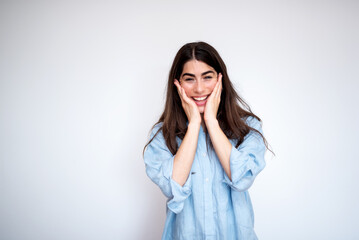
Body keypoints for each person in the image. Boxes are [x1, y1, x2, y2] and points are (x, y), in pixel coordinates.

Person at [143, 41, 271, 240]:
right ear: (177, 83)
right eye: (189, 79)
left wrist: (211, 120)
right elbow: (172, 187)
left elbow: (242, 179)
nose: (200, 88)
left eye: (207, 77)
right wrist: (194, 123)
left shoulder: (248, 128)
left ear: (220, 79)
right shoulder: (162, 135)